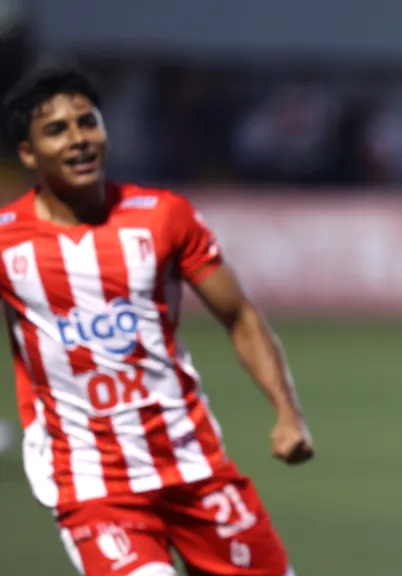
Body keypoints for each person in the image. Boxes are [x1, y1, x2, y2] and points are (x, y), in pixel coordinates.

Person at [0, 64, 313, 576]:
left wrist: (287, 413)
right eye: (56, 130)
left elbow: (239, 315)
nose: (78, 140)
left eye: (87, 122)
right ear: (29, 154)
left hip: (194, 466)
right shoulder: (7, 238)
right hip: (93, 485)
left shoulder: (162, 216)